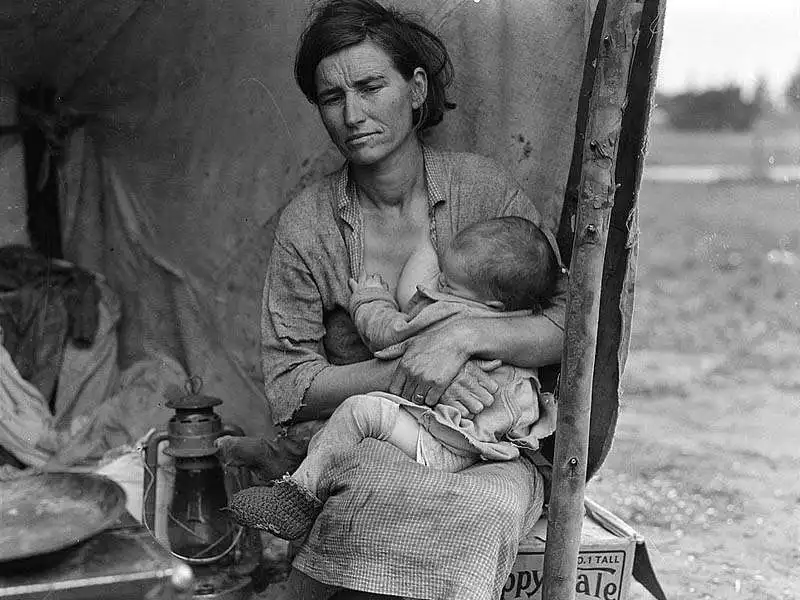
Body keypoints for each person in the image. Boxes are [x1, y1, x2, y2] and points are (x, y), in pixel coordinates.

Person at [223, 0, 569, 598]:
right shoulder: (309, 223)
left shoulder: (482, 190)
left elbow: (569, 326)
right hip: (368, 437)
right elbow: (290, 385)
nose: (353, 113)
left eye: (370, 86)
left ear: (414, 89)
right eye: (332, 98)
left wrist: (459, 339)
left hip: (489, 448)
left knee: (484, 510)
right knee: (375, 495)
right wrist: (402, 373)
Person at [229, 216, 560, 541]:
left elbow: (389, 334)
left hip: (448, 443)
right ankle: (289, 459)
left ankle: (296, 501)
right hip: (475, 436)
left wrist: (371, 298)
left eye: (445, 283)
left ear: (491, 303)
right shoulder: (516, 321)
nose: (432, 285)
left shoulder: (452, 313)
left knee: (359, 412)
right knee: (358, 426)